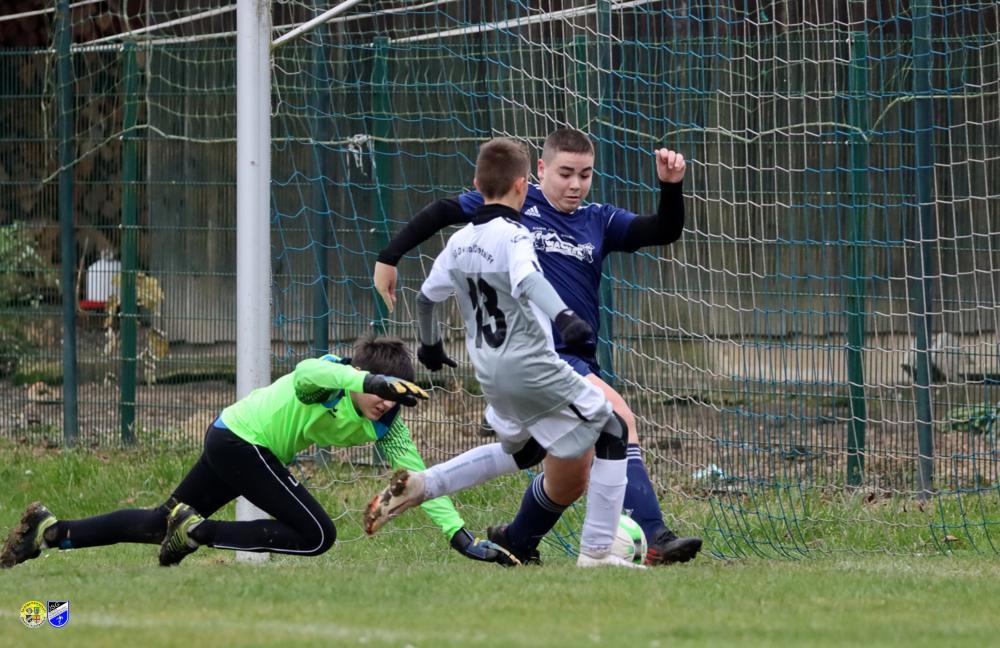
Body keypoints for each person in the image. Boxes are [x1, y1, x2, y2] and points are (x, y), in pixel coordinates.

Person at [372, 128, 701, 565]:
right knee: (617, 420)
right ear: (538, 171)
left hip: (552, 363)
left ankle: (517, 539)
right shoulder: (512, 211)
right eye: (565, 173)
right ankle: (651, 535)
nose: (575, 184)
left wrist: (671, 186)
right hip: (543, 357)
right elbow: (444, 211)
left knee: (565, 476)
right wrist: (389, 256)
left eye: (585, 174)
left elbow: (664, 229)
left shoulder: (598, 220)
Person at [0, 336, 515, 569]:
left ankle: (51, 532)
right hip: (241, 441)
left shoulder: (388, 427)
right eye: (382, 391)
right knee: (318, 535)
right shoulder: (331, 380)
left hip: (234, 440)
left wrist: (459, 536)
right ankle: (197, 532)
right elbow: (309, 372)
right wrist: (366, 380)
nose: (386, 402)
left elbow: (421, 479)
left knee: (159, 522)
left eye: (395, 395)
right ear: (363, 377)